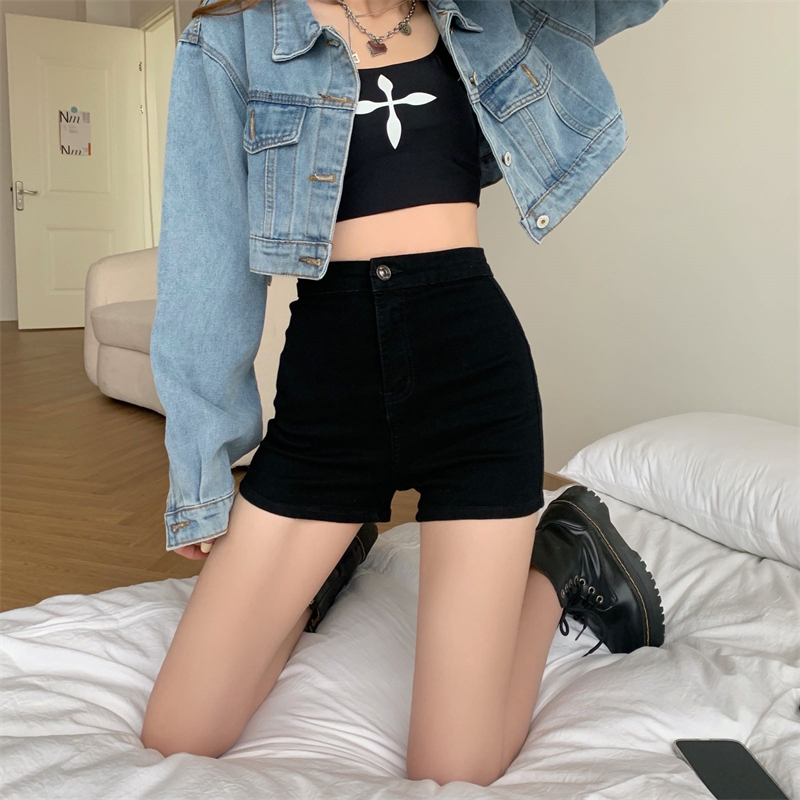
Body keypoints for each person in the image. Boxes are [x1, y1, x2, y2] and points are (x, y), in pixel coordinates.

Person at [141, 0, 668, 786]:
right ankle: (328, 564)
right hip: (330, 392)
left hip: (475, 377)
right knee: (178, 734)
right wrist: (202, 469)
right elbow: (205, 265)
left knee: (453, 771)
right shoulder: (228, 44)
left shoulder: (488, 12)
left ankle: (564, 557)